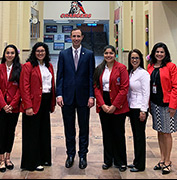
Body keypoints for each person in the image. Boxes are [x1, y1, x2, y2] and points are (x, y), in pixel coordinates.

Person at [56, 28, 95, 169]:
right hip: (67, 97)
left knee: (84, 127)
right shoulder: (63, 54)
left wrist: (92, 95)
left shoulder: (89, 54)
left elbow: (91, 77)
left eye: (79, 36)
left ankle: (83, 155)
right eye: (74, 36)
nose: (76, 38)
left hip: (84, 98)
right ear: (70, 37)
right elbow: (59, 76)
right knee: (69, 128)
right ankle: (70, 154)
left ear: (82, 37)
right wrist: (59, 94)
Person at [20, 42, 56, 171]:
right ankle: (32, 162)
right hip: (33, 103)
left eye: (42, 51)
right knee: (32, 133)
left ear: (46, 52)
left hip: (45, 102)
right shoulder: (28, 66)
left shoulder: (49, 66)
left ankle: (44, 158)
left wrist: (52, 103)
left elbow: (52, 84)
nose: (40, 53)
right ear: (34, 52)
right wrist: (28, 106)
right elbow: (24, 87)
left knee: (43, 131)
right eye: (38, 51)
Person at [93, 45, 129, 172]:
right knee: (107, 133)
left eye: (111, 53)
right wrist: (102, 104)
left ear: (115, 54)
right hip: (104, 102)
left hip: (118, 104)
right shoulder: (99, 69)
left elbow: (124, 88)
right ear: (103, 55)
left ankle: (121, 161)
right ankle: (108, 160)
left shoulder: (122, 68)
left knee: (118, 133)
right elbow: (96, 87)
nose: (108, 55)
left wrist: (114, 106)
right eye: (106, 53)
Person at [147, 42, 177, 175]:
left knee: (167, 132)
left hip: (167, 105)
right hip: (155, 104)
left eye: (162, 52)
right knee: (160, 132)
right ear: (153, 53)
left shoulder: (171, 67)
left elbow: (176, 87)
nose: (159, 54)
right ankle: (161, 159)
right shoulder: (150, 67)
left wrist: (173, 106)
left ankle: (167, 161)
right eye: (157, 52)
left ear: (165, 53)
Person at [0, 44, 21, 172]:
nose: (9, 55)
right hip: (1, 107)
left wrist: (12, 104)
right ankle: (1, 159)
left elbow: (21, 89)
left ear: (15, 55)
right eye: (7, 53)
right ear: (4, 54)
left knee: (11, 132)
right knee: (2, 132)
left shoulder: (20, 69)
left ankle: (8, 158)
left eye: (12, 53)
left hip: (14, 107)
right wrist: (4, 105)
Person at [127, 49, 150, 172]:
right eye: (132, 58)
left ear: (140, 60)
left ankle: (140, 165)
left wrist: (143, 110)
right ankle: (136, 161)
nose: (134, 60)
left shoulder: (143, 74)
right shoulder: (131, 72)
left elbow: (146, 93)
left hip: (139, 108)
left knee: (140, 137)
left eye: (136, 58)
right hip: (132, 107)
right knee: (135, 136)